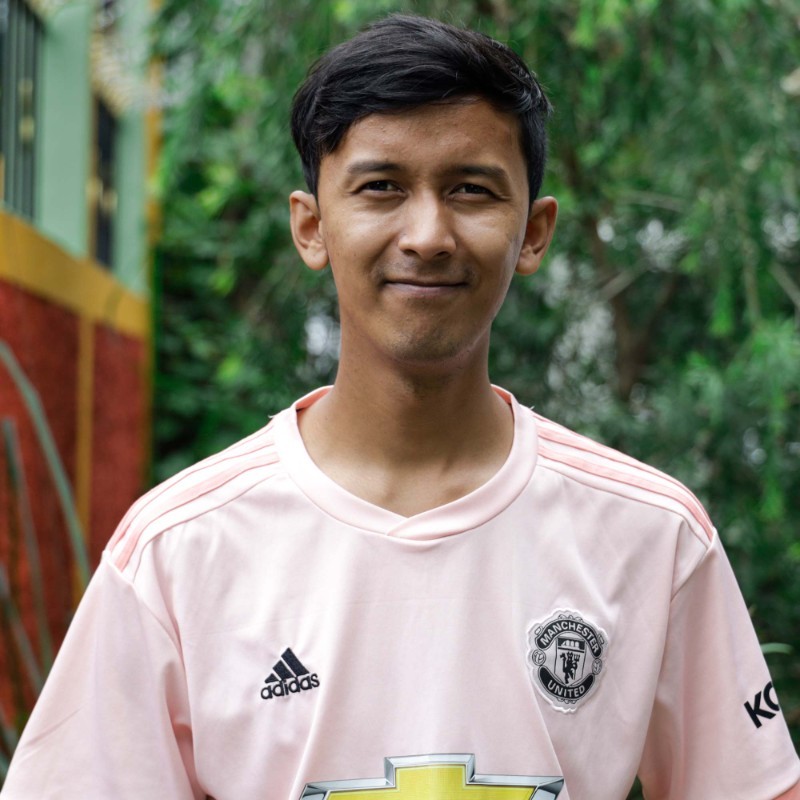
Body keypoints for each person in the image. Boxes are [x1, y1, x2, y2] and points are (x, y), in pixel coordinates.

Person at [2, 14, 798, 800]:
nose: (428, 234)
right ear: (311, 227)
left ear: (534, 232)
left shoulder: (652, 537)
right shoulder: (177, 553)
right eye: (382, 187)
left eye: (471, 190)